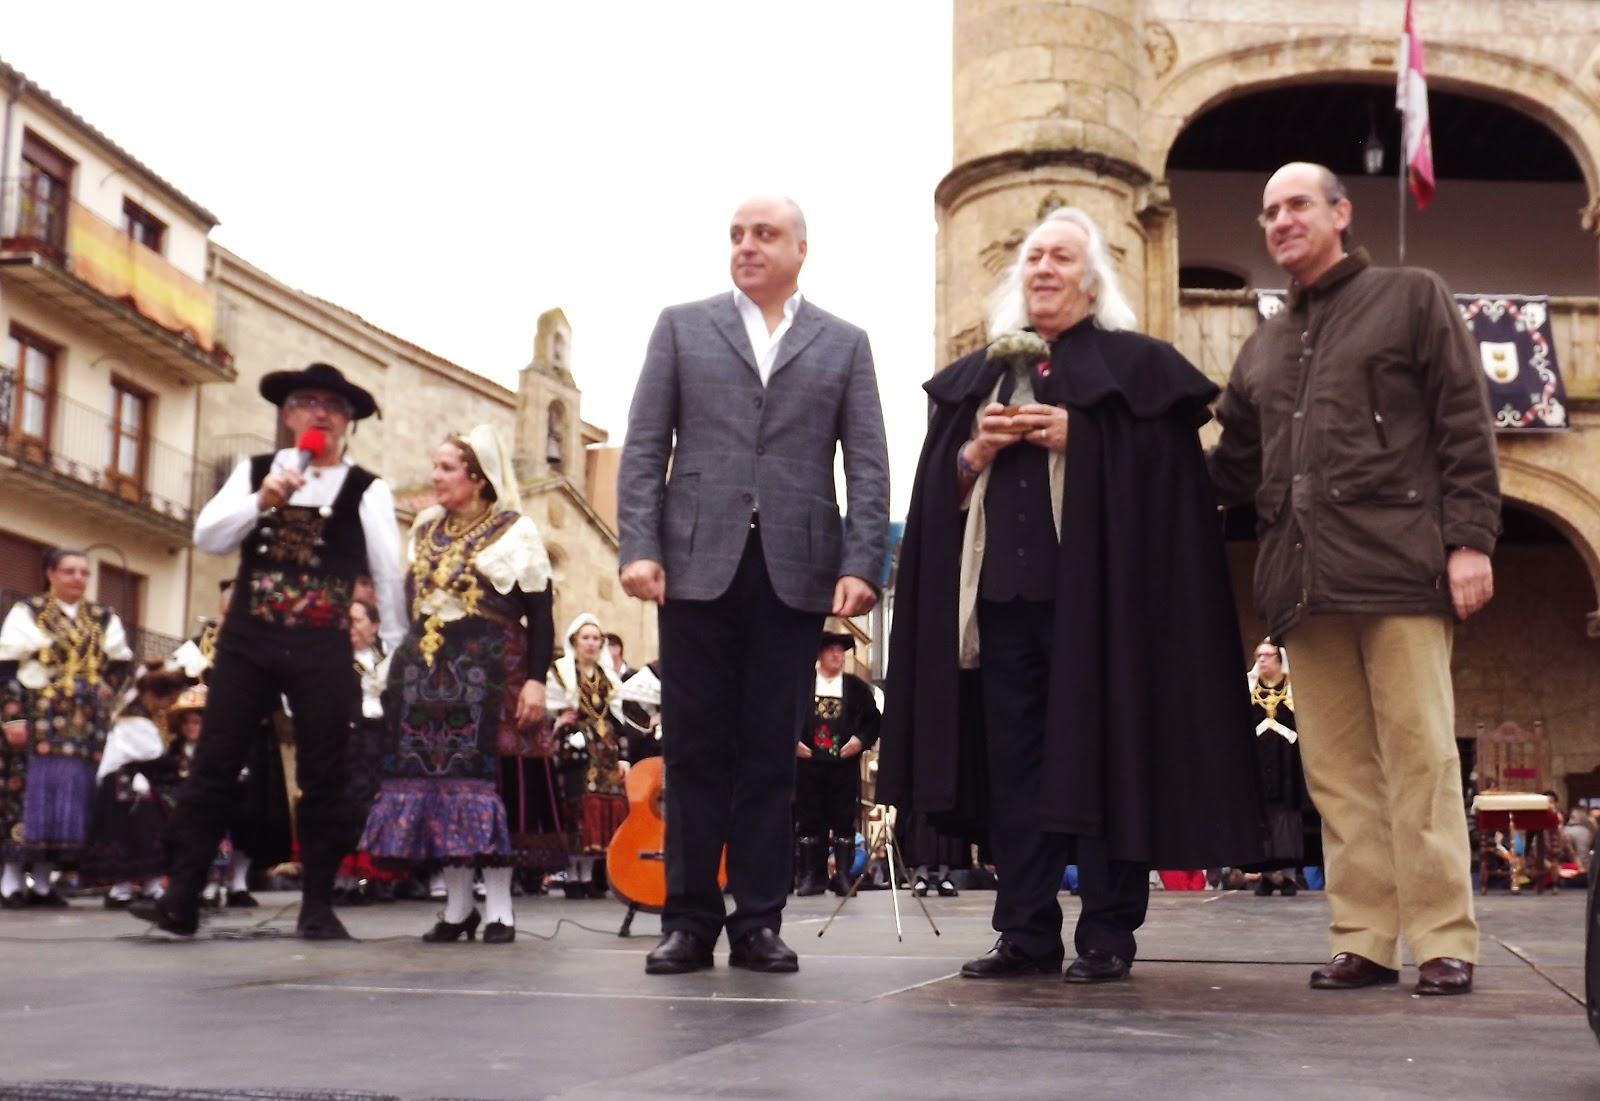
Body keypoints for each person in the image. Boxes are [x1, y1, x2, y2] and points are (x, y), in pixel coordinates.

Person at [877, 206, 1263, 985]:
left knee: (1108, 763)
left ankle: (1108, 933)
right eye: (1034, 258)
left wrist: (1081, 437)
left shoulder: (1138, 367)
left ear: (1091, 281)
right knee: (1015, 772)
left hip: (1104, 614)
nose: (1044, 268)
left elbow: (1173, 485)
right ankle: (1024, 932)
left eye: (1060, 257)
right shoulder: (978, 377)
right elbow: (939, 491)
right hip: (1002, 610)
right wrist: (976, 450)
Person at [1209, 162, 1500, 996]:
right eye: (1269, 210)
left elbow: (1463, 419)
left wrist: (1471, 539)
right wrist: (1121, 455)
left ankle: (1442, 936)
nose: (1281, 219)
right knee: (1336, 774)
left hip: (1400, 567)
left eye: (1298, 203)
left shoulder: (1411, 296)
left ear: (1341, 212)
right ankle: (1365, 937)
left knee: (1420, 757)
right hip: (1302, 583)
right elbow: (1228, 467)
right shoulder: (1264, 344)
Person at [617, 195, 890, 974]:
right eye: (736, 234)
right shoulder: (682, 326)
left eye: (764, 234)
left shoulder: (844, 343)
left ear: (801, 248)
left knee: (772, 751)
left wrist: (862, 561)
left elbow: (868, 462)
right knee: (694, 748)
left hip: (795, 572)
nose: (746, 245)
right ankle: (688, 919)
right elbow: (645, 445)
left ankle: (760, 920)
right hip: (695, 567)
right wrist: (640, 545)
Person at [132, 362, 406, 940]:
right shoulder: (255, 471)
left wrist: (397, 647)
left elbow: (386, 572)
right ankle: (181, 896)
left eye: (334, 406)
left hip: (321, 644)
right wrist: (261, 500)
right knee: (214, 761)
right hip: (248, 641)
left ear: (348, 423)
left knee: (325, 771)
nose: (321, 413)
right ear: (288, 414)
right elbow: (207, 537)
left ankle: (317, 905)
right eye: (309, 402)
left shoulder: (368, 488)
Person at [359, 426, 553, 944]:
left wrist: (536, 681)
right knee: (438, 787)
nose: (435, 477)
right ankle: (458, 906)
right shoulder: (425, 528)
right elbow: (409, 603)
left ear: (478, 478)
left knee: (494, 785)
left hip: (495, 672)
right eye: (436, 466)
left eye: (446, 468)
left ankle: (501, 909)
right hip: (429, 676)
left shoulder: (515, 531)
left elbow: (541, 613)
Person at [1, 547, 135, 908]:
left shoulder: (102, 618)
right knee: (26, 793)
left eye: (83, 572)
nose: (78, 578)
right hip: (37, 719)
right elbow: (7, 666)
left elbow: (120, 662)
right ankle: (10, 880)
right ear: (51, 574)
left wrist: (104, 690)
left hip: (84, 724)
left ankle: (44, 882)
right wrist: (12, 716)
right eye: (69, 571)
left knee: (71, 797)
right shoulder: (29, 612)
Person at [85, 662, 187, 907]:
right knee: (130, 834)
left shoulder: (143, 714)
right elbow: (151, 753)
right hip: (123, 782)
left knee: (147, 832)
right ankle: (121, 888)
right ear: (153, 695)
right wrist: (177, 763)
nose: (169, 705)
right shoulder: (134, 719)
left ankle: (151, 884)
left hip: (136, 781)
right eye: (168, 699)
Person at [546, 613, 627, 898]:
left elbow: (617, 718)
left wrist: (623, 755)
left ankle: (590, 873)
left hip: (603, 750)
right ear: (575, 642)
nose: (591, 644)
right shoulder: (560, 673)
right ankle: (572, 873)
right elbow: (548, 710)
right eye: (585, 638)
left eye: (595, 638)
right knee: (576, 804)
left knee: (601, 804)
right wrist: (558, 723)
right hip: (575, 749)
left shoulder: (608, 678)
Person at [794, 627, 879, 896]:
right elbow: (782, 714)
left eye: (840, 651)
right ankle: (811, 876)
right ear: (819, 654)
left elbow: (873, 720)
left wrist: (860, 741)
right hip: (809, 765)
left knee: (844, 820)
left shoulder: (856, 688)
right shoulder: (802, 684)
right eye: (831, 650)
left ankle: (842, 876)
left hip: (843, 766)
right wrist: (792, 742)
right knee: (809, 820)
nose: (836, 656)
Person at [1243, 639, 1320, 897]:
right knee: (1262, 815)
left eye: (1268, 655)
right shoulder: (1250, 686)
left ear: (1279, 659)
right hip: (1258, 760)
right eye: (1259, 655)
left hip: (1287, 762)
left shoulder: (1294, 687)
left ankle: (1287, 875)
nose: (1262, 660)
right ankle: (1265, 875)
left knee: (1288, 816)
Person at [334, 597, 395, 904]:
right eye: (348, 621)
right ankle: (344, 879)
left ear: (374, 625)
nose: (351, 628)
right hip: (350, 740)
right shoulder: (336, 659)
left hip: (382, 738)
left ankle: (379, 877)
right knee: (348, 803)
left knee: (380, 804)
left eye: (357, 621)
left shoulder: (388, 658)